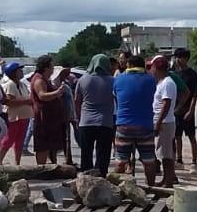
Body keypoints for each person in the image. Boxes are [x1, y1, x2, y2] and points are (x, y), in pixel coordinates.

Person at [111, 54, 159, 183]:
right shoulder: (151, 80)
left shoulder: (118, 79)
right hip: (145, 125)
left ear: (129, 66)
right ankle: (151, 187)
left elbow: (116, 97)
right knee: (149, 161)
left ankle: (116, 189)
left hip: (124, 125)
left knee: (120, 162)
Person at [75, 54, 115, 176]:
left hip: (86, 121)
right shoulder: (112, 81)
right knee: (103, 153)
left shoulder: (83, 80)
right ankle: (101, 176)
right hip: (105, 121)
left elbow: (77, 100)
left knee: (86, 152)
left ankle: (86, 176)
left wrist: (78, 117)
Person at [29, 56, 69, 166]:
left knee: (51, 145)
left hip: (50, 118)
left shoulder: (45, 79)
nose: (53, 69)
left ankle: (51, 165)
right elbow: (42, 96)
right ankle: (40, 168)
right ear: (46, 68)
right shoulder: (38, 80)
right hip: (43, 118)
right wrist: (58, 92)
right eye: (51, 66)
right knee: (43, 146)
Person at [149, 56, 179, 187]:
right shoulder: (161, 82)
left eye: (152, 67)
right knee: (162, 152)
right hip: (162, 121)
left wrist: (158, 122)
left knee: (166, 154)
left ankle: (168, 180)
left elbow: (166, 104)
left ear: (157, 68)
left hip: (165, 122)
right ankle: (166, 178)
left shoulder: (167, 83)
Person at [172, 48, 197, 173]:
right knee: (177, 136)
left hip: (187, 110)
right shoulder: (173, 73)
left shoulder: (192, 74)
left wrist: (191, 110)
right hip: (175, 110)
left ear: (186, 59)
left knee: (191, 136)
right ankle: (179, 160)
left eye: (181, 57)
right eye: (177, 57)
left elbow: (195, 94)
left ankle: (194, 162)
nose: (178, 60)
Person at [0, 62, 33, 165]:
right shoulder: (10, 85)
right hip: (14, 117)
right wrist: (26, 102)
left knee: (20, 141)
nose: (21, 72)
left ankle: (17, 163)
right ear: (13, 73)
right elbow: (10, 102)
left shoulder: (22, 84)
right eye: (19, 70)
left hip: (24, 116)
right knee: (9, 139)